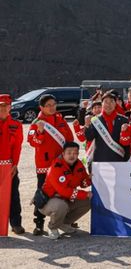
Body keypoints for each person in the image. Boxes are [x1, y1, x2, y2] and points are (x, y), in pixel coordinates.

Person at [27, 94, 74, 236]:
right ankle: (39, 223)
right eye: (48, 105)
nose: (52, 107)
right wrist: (40, 132)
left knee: (65, 190)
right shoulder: (36, 122)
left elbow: (70, 139)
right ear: (41, 107)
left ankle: (66, 220)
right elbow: (33, 142)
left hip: (61, 164)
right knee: (42, 193)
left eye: (53, 104)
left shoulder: (60, 119)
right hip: (45, 165)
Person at [39, 141, 91, 240]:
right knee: (61, 206)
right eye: (69, 153)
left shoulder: (79, 164)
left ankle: (63, 223)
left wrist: (90, 179)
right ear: (63, 153)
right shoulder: (56, 166)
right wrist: (85, 194)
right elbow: (63, 191)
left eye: (75, 153)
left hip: (66, 199)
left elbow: (83, 183)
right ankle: (53, 227)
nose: (72, 155)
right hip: (49, 200)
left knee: (89, 201)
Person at [0, 94, 24, 234]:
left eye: (6, 106)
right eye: (0, 106)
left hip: (9, 166)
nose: (3, 109)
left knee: (13, 196)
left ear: (10, 107)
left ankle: (16, 223)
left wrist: (15, 164)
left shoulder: (16, 125)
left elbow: (17, 147)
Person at [84, 92, 128, 162]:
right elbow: (89, 137)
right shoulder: (95, 120)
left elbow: (127, 143)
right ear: (102, 104)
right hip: (100, 160)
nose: (108, 104)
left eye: (111, 101)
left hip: (119, 159)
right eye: (106, 102)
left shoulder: (124, 120)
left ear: (115, 104)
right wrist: (87, 125)